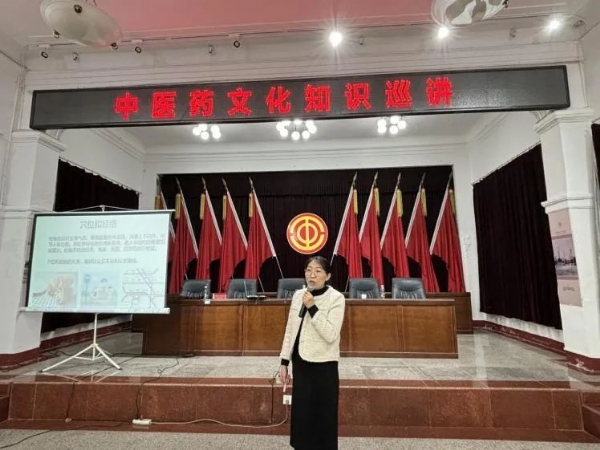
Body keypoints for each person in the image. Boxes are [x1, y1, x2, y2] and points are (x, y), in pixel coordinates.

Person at [278, 255, 346, 450]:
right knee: (302, 413)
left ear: (328, 276)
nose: (312, 275)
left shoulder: (336, 298)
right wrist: (284, 361)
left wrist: (312, 307)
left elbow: (331, 334)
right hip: (301, 362)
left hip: (324, 364)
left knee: (324, 414)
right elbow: (290, 330)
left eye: (318, 271)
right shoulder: (299, 295)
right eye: (308, 270)